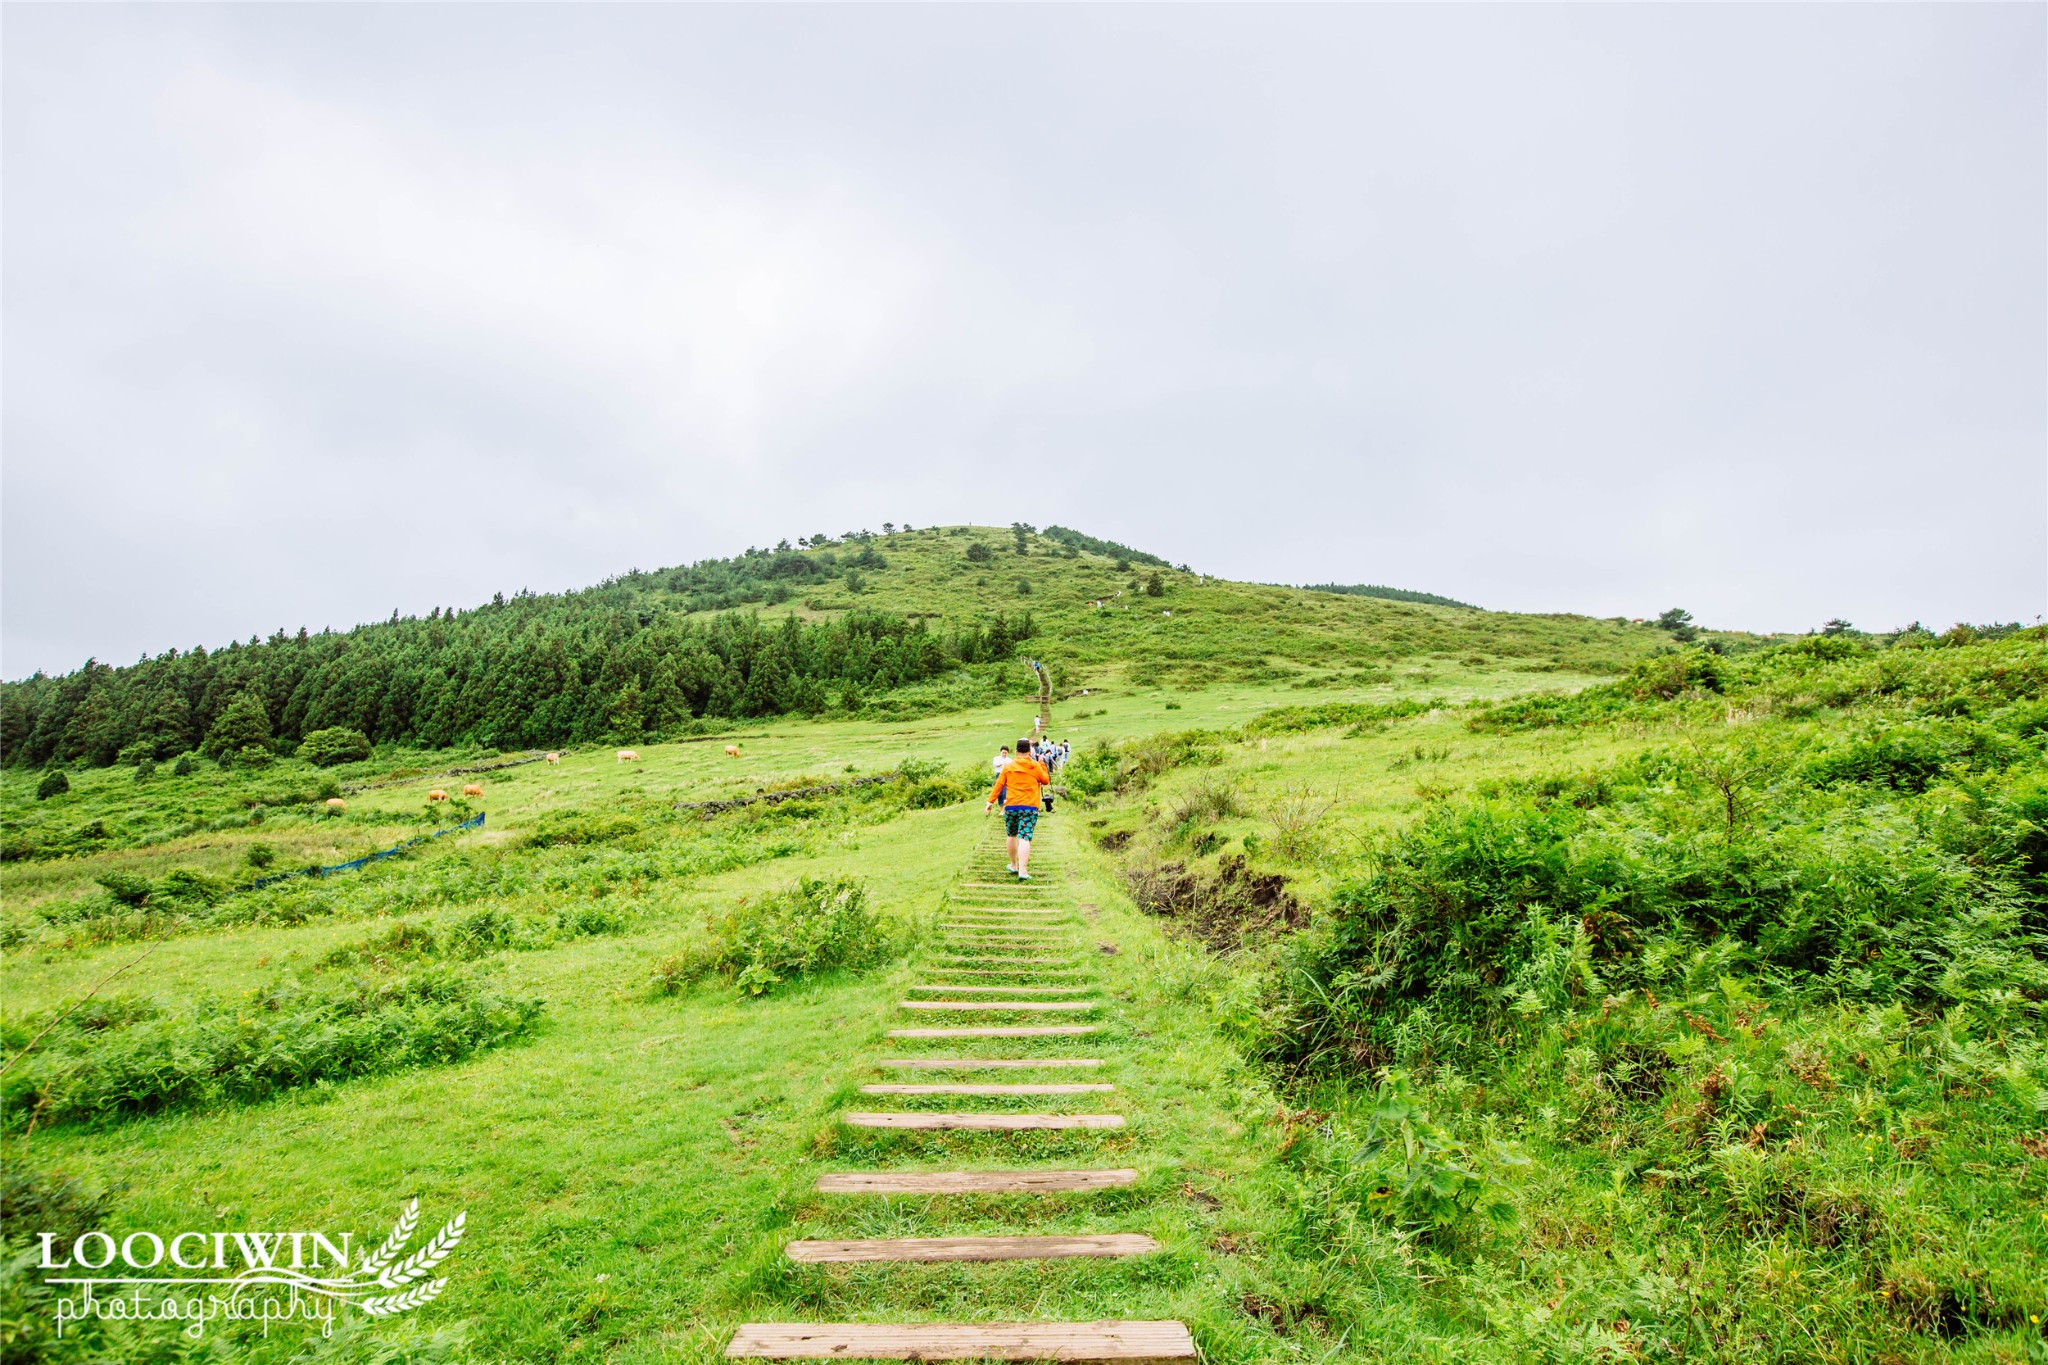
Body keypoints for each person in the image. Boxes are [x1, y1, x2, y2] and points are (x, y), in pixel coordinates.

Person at [987, 737, 1052, 878]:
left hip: (1011, 807)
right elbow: (1046, 781)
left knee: (1011, 835)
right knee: (1024, 837)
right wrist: (1042, 764)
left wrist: (990, 802)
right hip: (1029, 807)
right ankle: (1023, 871)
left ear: (1016, 752)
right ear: (1029, 751)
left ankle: (1013, 865)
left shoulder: (1008, 767)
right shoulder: (1035, 766)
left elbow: (998, 785)